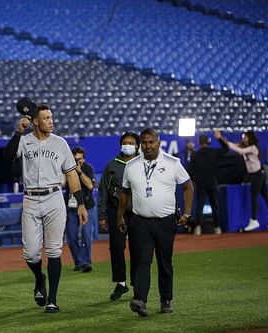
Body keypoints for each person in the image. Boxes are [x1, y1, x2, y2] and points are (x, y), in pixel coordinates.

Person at [3, 103, 88, 313]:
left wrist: (81, 204)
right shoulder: (24, 141)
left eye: (51, 117)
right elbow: (8, 156)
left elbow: (71, 175)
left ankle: (52, 299)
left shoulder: (60, 143)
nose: (51, 121)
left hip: (54, 198)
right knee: (31, 254)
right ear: (35, 121)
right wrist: (18, 131)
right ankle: (40, 279)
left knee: (53, 250)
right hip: (30, 199)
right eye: (46, 118)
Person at [117, 128, 193, 317]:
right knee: (142, 262)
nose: (148, 146)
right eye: (144, 142)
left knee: (164, 261)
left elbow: (188, 186)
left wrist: (188, 213)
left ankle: (165, 299)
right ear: (140, 144)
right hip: (140, 222)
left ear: (159, 142)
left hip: (166, 222)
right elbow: (125, 193)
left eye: (151, 142)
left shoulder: (173, 163)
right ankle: (140, 300)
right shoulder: (131, 165)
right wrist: (119, 216)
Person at [97, 131, 140, 301]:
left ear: (137, 145)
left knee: (138, 248)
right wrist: (102, 215)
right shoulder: (112, 165)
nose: (128, 145)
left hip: (138, 211)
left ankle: (138, 284)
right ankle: (121, 283)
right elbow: (103, 193)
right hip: (116, 211)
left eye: (131, 142)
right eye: (125, 142)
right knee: (116, 247)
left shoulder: (143, 164)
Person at [217, 130, 268, 231]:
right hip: (259, 174)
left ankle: (254, 220)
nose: (243, 138)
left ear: (250, 138)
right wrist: (223, 140)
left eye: (245, 137)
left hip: (257, 175)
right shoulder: (245, 146)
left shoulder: (253, 147)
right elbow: (234, 145)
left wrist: (223, 140)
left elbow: (240, 151)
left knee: (254, 196)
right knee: (265, 195)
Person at [188, 131, 228, 235]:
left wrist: (195, 180)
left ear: (199, 142)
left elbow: (190, 170)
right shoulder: (213, 152)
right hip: (212, 183)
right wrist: (219, 139)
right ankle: (217, 227)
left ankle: (198, 228)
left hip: (201, 183)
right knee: (215, 205)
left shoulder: (195, 154)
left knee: (199, 206)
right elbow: (226, 149)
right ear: (208, 142)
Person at [65, 146, 95, 273]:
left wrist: (79, 171)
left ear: (84, 159)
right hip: (72, 207)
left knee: (86, 235)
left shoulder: (88, 168)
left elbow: (90, 185)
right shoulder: (66, 168)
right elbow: (62, 183)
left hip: (87, 206)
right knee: (71, 236)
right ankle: (78, 262)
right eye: (75, 159)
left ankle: (86, 262)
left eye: (80, 159)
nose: (78, 161)